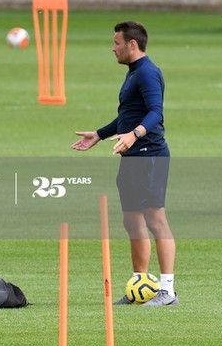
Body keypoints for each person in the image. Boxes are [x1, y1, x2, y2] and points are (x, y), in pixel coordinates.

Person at [72, 21, 177, 307]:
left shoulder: (147, 73)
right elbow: (129, 115)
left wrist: (134, 134)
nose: (113, 47)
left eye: (117, 42)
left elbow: (156, 113)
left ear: (133, 44)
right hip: (131, 156)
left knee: (156, 221)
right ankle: (139, 285)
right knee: (132, 221)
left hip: (150, 155)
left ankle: (167, 291)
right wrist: (100, 134)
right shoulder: (133, 74)